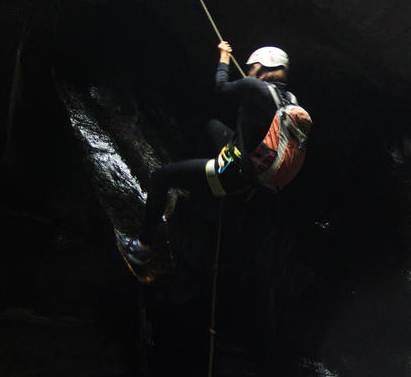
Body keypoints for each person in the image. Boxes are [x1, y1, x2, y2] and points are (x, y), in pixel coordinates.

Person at [117, 42, 308, 278]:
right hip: (255, 178)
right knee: (212, 127)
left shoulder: (255, 87)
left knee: (160, 178)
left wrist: (224, 57)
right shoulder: (290, 99)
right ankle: (198, 189)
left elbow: (219, 88)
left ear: (261, 66)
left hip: (229, 173)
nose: (248, 72)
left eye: (251, 68)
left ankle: (141, 250)